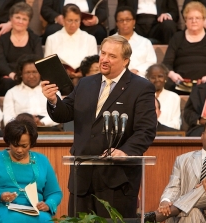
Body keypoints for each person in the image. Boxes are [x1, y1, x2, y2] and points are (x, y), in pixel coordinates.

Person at [42, 35, 157, 217]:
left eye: (112, 56)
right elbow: (65, 113)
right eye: (103, 53)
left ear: (126, 61)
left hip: (117, 179)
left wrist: (125, 151)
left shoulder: (141, 88)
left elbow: (146, 130)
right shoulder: (86, 83)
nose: (104, 59)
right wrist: (54, 100)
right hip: (82, 177)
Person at [144, 118, 206, 223]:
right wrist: (166, 201)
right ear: (202, 135)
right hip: (189, 215)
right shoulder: (182, 160)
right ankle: (179, 209)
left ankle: (175, 209)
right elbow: (173, 187)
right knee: (191, 212)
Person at [0, 118, 63, 222]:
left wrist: (48, 204)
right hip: (1, 208)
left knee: (44, 219)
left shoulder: (42, 160)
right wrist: (0, 196)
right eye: (15, 145)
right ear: (8, 141)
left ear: (31, 143)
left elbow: (55, 192)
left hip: (34, 211)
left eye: (24, 146)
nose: (19, 150)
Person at [163, 1, 206, 94]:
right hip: (180, 84)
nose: (194, 21)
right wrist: (173, 75)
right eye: (190, 18)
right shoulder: (177, 37)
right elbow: (166, 63)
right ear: (185, 20)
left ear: (204, 20)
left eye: (197, 18)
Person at [0, 2, 43, 96]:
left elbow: (38, 60)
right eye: (17, 17)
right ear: (11, 19)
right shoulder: (3, 39)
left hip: (30, 75)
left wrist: (24, 76)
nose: (20, 22)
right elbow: (0, 62)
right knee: (7, 83)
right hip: (8, 75)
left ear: (28, 22)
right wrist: (11, 74)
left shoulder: (35, 39)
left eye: (24, 19)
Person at [44, 4, 97, 85]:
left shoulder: (90, 39)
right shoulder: (52, 39)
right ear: (64, 20)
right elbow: (48, 66)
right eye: (70, 20)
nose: (73, 24)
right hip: (60, 81)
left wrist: (81, 73)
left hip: (85, 80)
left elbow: (94, 65)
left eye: (76, 21)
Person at [3, 54, 60, 127]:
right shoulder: (11, 93)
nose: (31, 76)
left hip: (48, 127)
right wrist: (25, 123)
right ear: (21, 74)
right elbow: (7, 118)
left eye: (34, 72)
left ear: (40, 73)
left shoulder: (51, 89)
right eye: (27, 72)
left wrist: (42, 122)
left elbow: (59, 113)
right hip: (21, 128)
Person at [113, 6, 157, 77]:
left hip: (140, 80)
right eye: (121, 20)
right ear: (116, 23)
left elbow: (152, 62)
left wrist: (137, 70)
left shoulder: (145, 42)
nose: (124, 23)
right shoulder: (109, 42)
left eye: (128, 20)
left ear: (134, 21)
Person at [41, 0, 108, 45]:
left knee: (100, 32)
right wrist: (57, 17)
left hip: (87, 24)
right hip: (62, 24)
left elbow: (103, 9)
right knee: (51, 31)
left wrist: (96, 19)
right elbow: (45, 9)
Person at [146, 63, 181, 130]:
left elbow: (176, 124)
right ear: (148, 79)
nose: (157, 80)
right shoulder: (143, 97)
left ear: (166, 77)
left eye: (160, 76)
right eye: (153, 77)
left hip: (168, 135)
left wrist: (160, 128)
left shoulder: (174, 97)